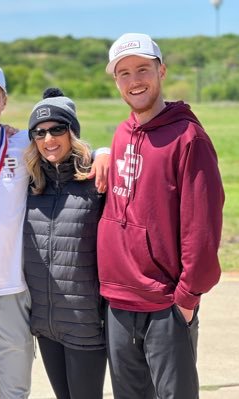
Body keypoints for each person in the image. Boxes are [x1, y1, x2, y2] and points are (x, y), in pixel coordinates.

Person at [0, 62, 109, 399]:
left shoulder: (23, 146)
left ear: (4, 100)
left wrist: (105, 150)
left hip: (15, 292)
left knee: (16, 391)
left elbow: (69, 146)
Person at [97, 33, 225, 399]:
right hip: (120, 302)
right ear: (116, 81)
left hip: (166, 303)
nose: (134, 80)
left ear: (161, 71)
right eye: (124, 73)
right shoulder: (122, 134)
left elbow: (202, 227)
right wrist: (103, 150)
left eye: (142, 69)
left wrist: (187, 298)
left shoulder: (189, 138)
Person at [23, 88, 107, 399]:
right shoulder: (30, 185)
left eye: (58, 129)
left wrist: (104, 151)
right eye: (39, 132)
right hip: (45, 324)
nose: (48, 139)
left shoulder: (95, 181)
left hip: (85, 323)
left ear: (72, 131)